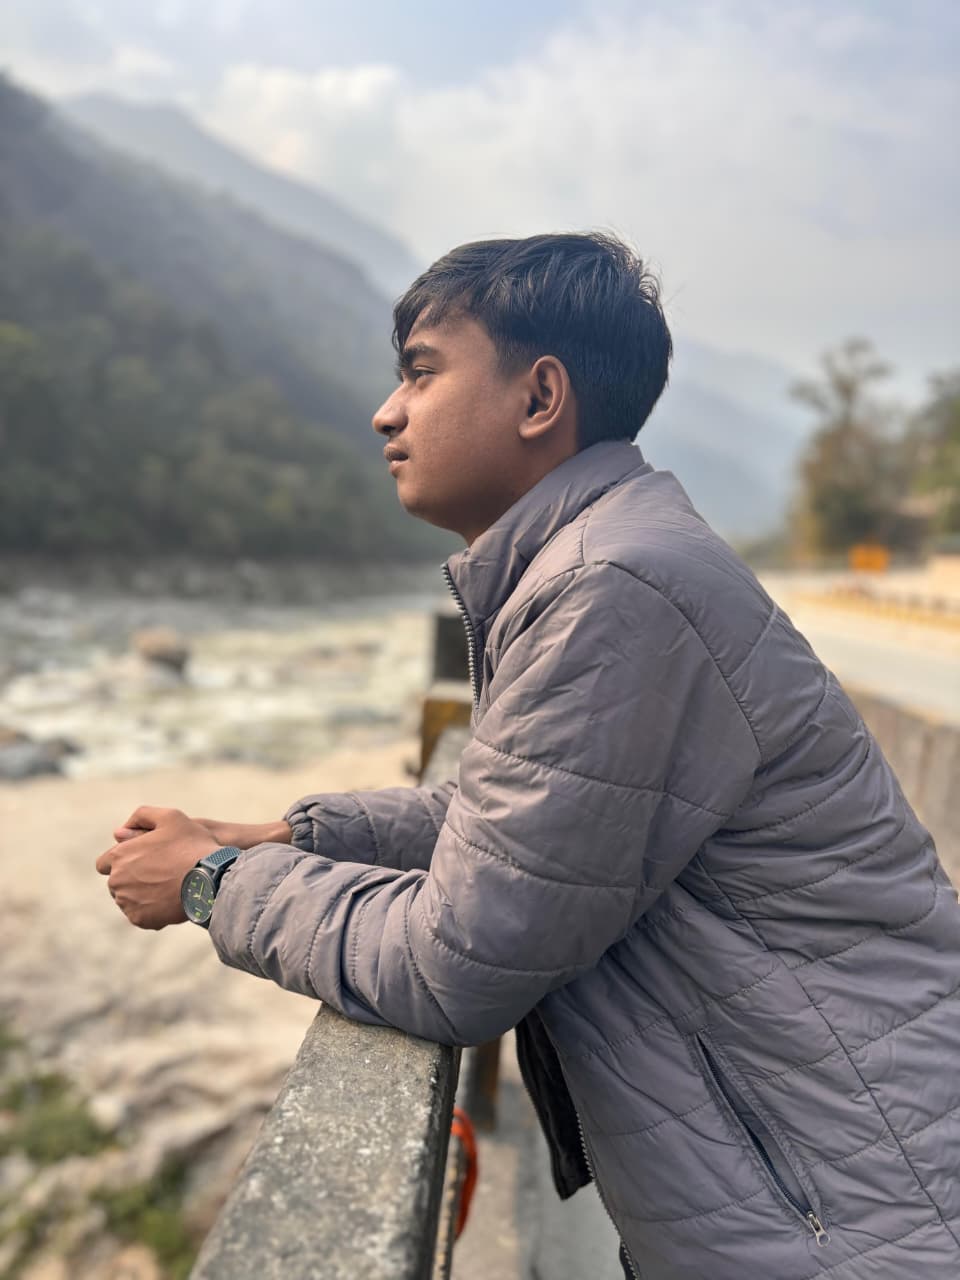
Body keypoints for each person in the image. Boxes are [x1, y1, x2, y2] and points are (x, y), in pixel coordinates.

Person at [97, 233, 960, 1279]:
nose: (388, 410)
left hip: (866, 1215)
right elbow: (515, 815)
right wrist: (292, 830)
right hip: (827, 1189)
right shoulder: (605, 555)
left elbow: (455, 958)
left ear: (540, 395)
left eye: (421, 369)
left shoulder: (614, 586)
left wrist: (212, 882)